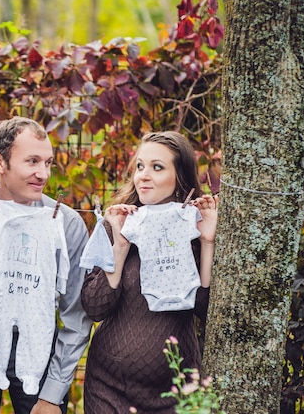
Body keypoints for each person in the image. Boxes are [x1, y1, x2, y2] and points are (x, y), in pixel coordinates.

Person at [0, 116, 92, 414]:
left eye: (48, 162)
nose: (43, 174)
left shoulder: (67, 225)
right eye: (32, 161)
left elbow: (76, 315)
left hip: (40, 342)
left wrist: (52, 395)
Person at [80, 131, 219, 413]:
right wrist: (120, 245)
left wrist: (206, 242)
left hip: (175, 390)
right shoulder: (118, 222)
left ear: (179, 176)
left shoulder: (196, 227)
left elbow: (207, 310)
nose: (143, 175)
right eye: (140, 166)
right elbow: (94, 307)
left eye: (157, 167)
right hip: (108, 387)